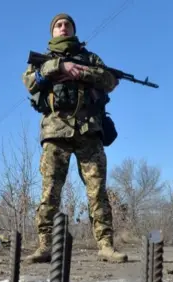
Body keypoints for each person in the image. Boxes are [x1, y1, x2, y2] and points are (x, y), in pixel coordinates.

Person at [21, 13, 128, 264]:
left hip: (89, 131)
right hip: (55, 132)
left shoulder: (90, 59)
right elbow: (30, 83)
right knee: (50, 191)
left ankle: (105, 245)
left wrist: (82, 73)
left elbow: (110, 80)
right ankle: (45, 246)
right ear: (53, 32)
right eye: (58, 25)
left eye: (67, 24)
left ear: (73, 29)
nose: (63, 27)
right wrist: (59, 67)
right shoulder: (43, 59)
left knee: (97, 191)